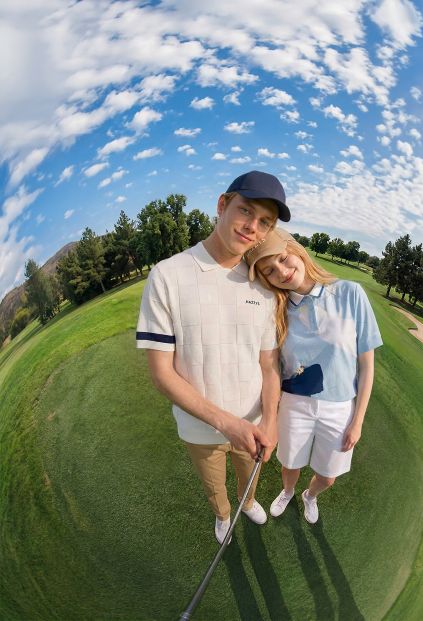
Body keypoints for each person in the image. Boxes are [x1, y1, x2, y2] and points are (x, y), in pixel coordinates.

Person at [136, 171, 288, 544]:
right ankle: (222, 516)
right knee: (214, 485)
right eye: (246, 211)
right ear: (222, 205)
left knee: (248, 479)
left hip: (253, 425)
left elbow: (269, 366)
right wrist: (227, 424)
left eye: (265, 222)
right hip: (199, 429)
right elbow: (162, 374)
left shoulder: (263, 287)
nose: (252, 227)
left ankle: (247, 503)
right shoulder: (166, 276)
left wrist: (270, 421)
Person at [245, 228, 383, 524]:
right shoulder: (276, 309)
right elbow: (271, 365)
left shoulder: (350, 293)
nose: (282, 272)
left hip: (340, 407)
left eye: (283, 259)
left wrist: (358, 421)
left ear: (297, 250)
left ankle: (310, 496)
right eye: (270, 271)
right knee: (290, 465)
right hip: (294, 403)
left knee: (328, 476)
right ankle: (288, 492)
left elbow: (367, 366)